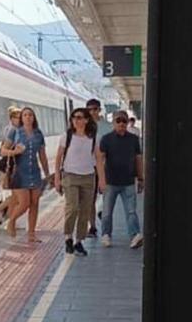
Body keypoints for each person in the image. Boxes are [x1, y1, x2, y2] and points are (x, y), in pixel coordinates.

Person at [55, 108, 104, 256]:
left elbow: (99, 160)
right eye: (74, 117)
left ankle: (79, 241)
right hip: (70, 176)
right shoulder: (67, 136)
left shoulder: (93, 137)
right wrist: (57, 178)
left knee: (85, 210)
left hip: (88, 177)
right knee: (73, 207)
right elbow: (58, 158)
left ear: (86, 120)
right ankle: (68, 236)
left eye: (79, 117)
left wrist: (102, 179)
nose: (76, 120)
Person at [98, 110, 143, 248]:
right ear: (113, 123)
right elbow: (100, 160)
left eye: (124, 121)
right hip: (111, 181)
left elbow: (138, 159)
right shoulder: (106, 139)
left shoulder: (134, 139)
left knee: (131, 211)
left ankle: (135, 235)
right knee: (107, 212)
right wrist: (101, 180)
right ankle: (106, 235)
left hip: (128, 181)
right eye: (118, 121)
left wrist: (141, 178)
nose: (122, 124)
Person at [5, 106, 50, 243]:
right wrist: (14, 152)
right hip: (19, 173)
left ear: (34, 118)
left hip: (35, 172)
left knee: (35, 204)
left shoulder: (38, 134)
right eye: (25, 115)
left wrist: (47, 173)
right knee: (24, 204)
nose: (28, 117)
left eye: (30, 115)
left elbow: (42, 155)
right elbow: (3, 150)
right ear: (21, 118)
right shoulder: (15, 132)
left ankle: (31, 234)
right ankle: (11, 221)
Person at [86, 99, 113, 237]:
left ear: (99, 110)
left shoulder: (108, 127)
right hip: (89, 168)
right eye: (89, 109)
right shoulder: (83, 127)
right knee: (90, 198)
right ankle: (93, 227)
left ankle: (106, 228)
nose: (92, 112)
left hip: (106, 167)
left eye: (95, 109)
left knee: (107, 196)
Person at [0, 106, 22, 224]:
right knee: (17, 195)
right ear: (12, 118)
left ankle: (9, 220)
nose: (19, 120)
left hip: (10, 166)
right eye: (17, 118)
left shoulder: (12, 129)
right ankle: (2, 213)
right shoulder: (12, 131)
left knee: (16, 195)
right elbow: (4, 150)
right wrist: (16, 151)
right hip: (9, 166)